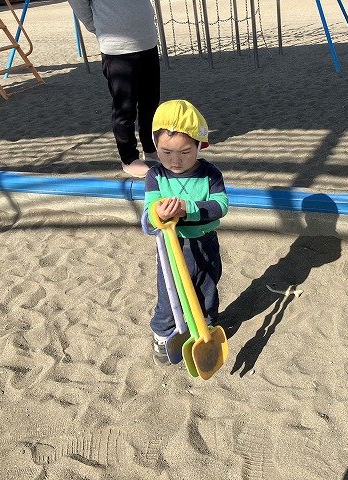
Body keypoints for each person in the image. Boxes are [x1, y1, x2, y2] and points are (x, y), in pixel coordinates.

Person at [143, 99, 229, 365]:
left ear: (200, 146)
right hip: (173, 247)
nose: (176, 160)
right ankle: (162, 336)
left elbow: (220, 206)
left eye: (185, 152)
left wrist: (187, 209)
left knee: (207, 289)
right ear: (155, 146)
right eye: (166, 152)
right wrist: (159, 212)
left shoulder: (210, 174)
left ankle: (205, 330)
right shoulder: (156, 176)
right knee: (169, 296)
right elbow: (149, 216)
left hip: (206, 243)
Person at [68, 0, 160, 178]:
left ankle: (150, 149)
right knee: (125, 107)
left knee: (150, 103)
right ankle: (128, 157)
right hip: (117, 48)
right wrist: (99, 26)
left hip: (147, 40)